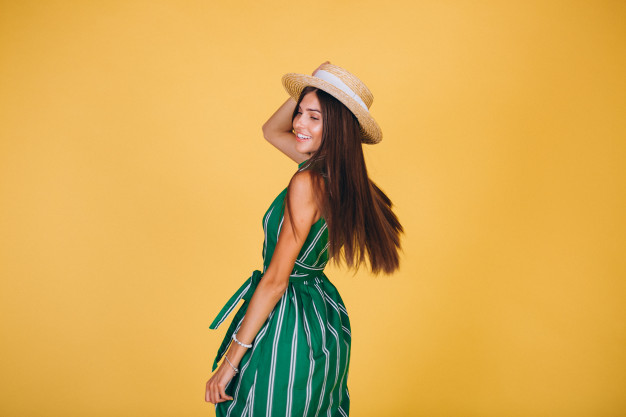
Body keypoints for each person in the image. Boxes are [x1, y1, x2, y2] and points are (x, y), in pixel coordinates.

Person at [205, 62, 403, 417]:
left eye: (314, 117)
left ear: (337, 128)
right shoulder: (338, 177)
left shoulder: (307, 182)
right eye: (299, 113)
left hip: (287, 319)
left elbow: (276, 281)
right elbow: (271, 130)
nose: (298, 124)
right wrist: (313, 84)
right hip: (322, 316)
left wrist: (230, 362)